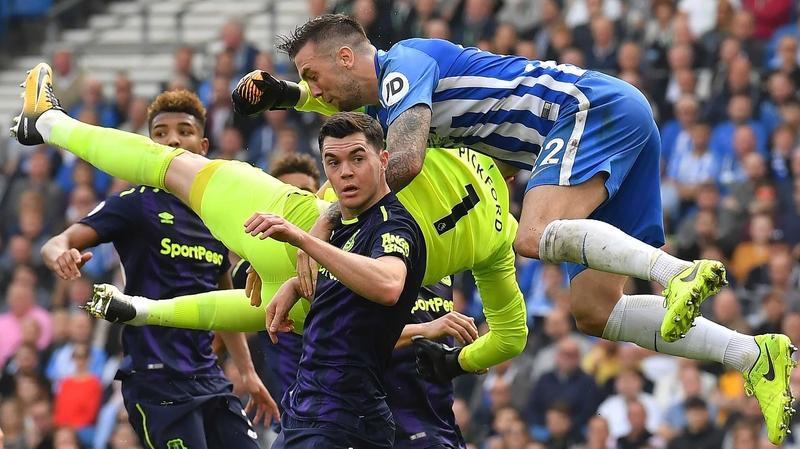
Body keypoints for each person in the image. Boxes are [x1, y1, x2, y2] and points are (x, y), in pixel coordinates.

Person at [229, 14, 795, 443]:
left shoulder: (404, 64)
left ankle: (679, 274)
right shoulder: (388, 88)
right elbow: (356, 114)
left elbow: (400, 163)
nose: (315, 88)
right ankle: (755, 356)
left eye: (314, 74)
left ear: (349, 57)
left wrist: (327, 218)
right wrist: (287, 94)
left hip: (586, 112)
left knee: (531, 233)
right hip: (610, 124)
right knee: (596, 312)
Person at [11, 63, 527, 381]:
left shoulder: (442, 133)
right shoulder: (500, 240)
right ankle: (146, 310)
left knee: (174, 168)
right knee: (276, 312)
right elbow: (511, 339)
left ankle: (49, 122)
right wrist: (457, 363)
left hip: (296, 232)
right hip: (339, 295)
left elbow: (362, 132)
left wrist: (290, 95)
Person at [101, 152, 474, 449]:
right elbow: (235, 310)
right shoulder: (279, 260)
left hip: (375, 413)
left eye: (305, 195)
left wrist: (460, 354)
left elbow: (368, 317)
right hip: (311, 408)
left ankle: (141, 310)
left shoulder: (394, 252)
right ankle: (141, 309)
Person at [38, 89, 277, 449]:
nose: (173, 140)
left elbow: (225, 301)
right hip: (155, 380)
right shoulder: (134, 205)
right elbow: (57, 242)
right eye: (161, 134)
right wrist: (60, 253)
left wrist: (248, 373)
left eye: (184, 130)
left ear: (203, 145)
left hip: (209, 378)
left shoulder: (215, 214)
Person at [238, 111, 430, 448]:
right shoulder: (342, 225)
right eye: (333, 162)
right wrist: (297, 284)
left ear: (383, 159)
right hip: (306, 410)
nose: (346, 172)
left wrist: (303, 239)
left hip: (346, 417)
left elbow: (387, 285)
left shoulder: (393, 224)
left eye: (358, 158)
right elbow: (348, 290)